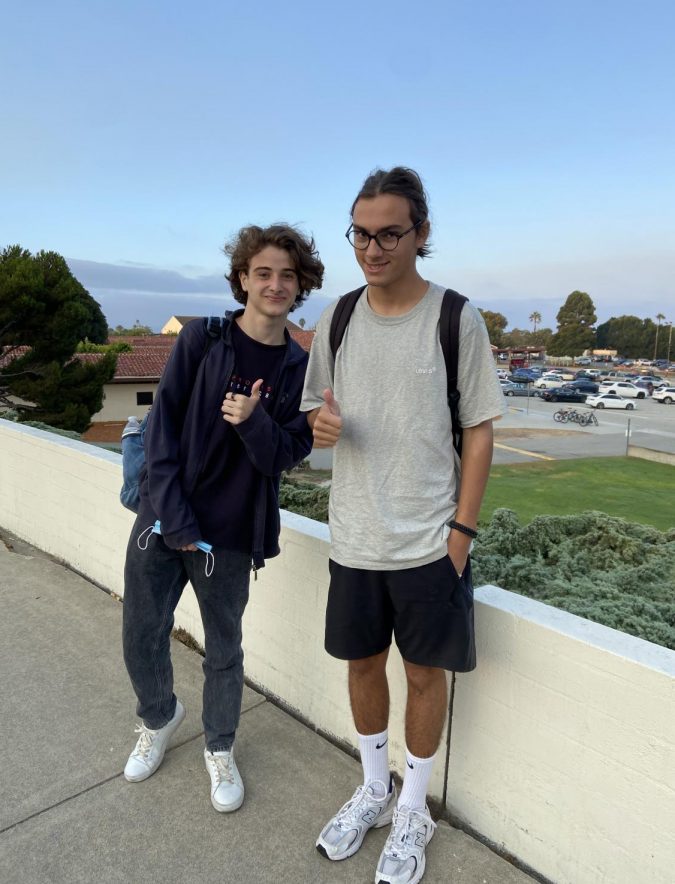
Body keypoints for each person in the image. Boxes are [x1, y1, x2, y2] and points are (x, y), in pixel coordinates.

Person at [301, 167, 505, 884]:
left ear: (420, 234)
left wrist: (460, 536)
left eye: (389, 232)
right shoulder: (340, 315)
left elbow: (479, 431)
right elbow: (311, 410)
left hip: (428, 543)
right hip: (353, 535)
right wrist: (317, 424)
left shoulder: (456, 317)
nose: (372, 247)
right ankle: (373, 789)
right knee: (361, 667)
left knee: (423, 675)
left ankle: (412, 807)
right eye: (360, 232)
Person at [122, 223, 323, 812]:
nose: (275, 284)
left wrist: (254, 419)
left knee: (224, 650)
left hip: (231, 535)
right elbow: (161, 432)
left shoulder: (299, 368)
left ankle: (220, 747)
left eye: (288, 274)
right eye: (263, 272)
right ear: (242, 279)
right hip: (164, 522)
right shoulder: (203, 340)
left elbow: (284, 454)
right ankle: (159, 717)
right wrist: (176, 519)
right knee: (140, 633)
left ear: (301, 284)